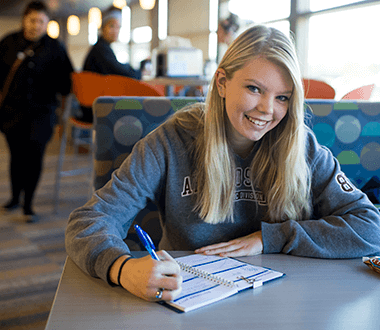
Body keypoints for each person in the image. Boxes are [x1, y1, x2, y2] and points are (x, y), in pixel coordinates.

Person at [65, 25, 380, 302]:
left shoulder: (301, 147)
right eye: (254, 88)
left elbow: (371, 227)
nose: (267, 110)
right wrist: (121, 268)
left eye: (282, 97)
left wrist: (270, 237)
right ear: (221, 83)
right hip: (185, 295)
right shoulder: (170, 141)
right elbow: (88, 221)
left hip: (284, 298)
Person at [0, 1, 73, 222]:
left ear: (47, 23)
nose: (36, 25)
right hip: (11, 112)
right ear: (24, 20)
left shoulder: (55, 47)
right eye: (32, 20)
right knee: (16, 156)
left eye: (41, 21)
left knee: (34, 156)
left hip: (42, 113)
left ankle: (28, 203)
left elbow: (67, 83)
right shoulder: (8, 43)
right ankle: (14, 197)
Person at [78, 6, 141, 123]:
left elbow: (118, 67)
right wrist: (139, 71)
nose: (115, 30)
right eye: (111, 26)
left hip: (92, 104)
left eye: (118, 27)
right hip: (96, 107)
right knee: (139, 108)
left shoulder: (101, 48)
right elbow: (122, 72)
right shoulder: (101, 50)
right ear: (103, 27)